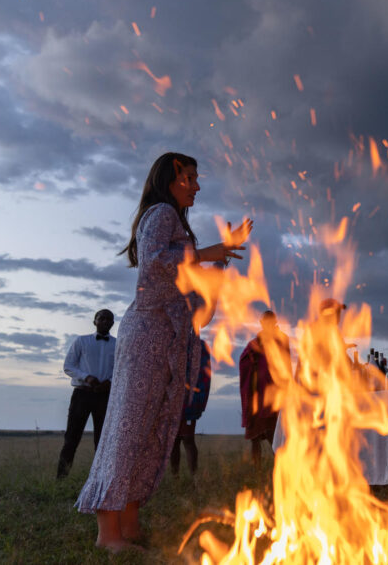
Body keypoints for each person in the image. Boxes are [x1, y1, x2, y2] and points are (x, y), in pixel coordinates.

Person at [75, 152, 250, 553]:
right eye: (189, 177)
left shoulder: (180, 229)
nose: (197, 185)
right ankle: (108, 534)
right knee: (129, 428)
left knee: (154, 432)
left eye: (196, 177)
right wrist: (209, 253)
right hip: (148, 338)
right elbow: (153, 264)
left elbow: (198, 307)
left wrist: (219, 267)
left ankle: (130, 524)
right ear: (169, 180)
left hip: (171, 342)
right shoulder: (160, 214)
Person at [56, 309, 116, 479]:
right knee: (71, 438)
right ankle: (61, 479)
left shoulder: (118, 344)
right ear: (94, 321)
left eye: (109, 319)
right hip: (82, 394)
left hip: (105, 396)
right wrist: (86, 377)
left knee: (102, 440)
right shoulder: (81, 341)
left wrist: (109, 382)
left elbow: (121, 368)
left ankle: (99, 479)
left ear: (113, 323)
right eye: (101, 318)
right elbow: (69, 366)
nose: (105, 321)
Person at [240, 309, 290, 465]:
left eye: (270, 322)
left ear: (275, 323)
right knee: (255, 438)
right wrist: (252, 360)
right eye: (264, 322)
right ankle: (257, 470)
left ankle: (281, 468)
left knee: (273, 435)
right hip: (256, 395)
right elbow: (244, 360)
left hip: (273, 396)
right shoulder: (254, 343)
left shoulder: (282, 340)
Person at [170, 335, 211, 476]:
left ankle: (194, 478)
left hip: (189, 399)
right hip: (171, 399)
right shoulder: (170, 341)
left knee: (188, 438)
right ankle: (175, 477)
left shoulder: (199, 346)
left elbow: (205, 373)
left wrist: (199, 398)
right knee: (173, 441)